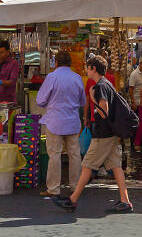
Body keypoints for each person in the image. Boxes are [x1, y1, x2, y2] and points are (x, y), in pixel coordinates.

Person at [52, 55, 133, 213]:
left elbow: (104, 112)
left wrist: (92, 97)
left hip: (103, 134)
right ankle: (125, 201)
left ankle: (72, 200)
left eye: (87, 68)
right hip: (111, 134)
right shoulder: (107, 84)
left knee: (87, 165)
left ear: (93, 69)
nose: (86, 71)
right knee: (116, 167)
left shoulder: (99, 87)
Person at [36, 51, 86, 198]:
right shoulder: (77, 78)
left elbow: (40, 100)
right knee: (75, 154)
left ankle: (53, 188)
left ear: (55, 62)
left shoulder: (52, 77)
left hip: (55, 122)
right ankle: (75, 186)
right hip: (72, 121)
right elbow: (82, 101)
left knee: (54, 155)